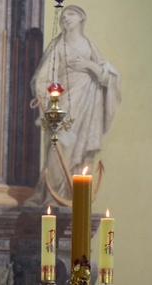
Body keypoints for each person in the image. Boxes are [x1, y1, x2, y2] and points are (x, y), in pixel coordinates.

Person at [27, 4, 121, 206]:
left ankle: (74, 195)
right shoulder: (58, 45)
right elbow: (43, 77)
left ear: (81, 19)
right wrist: (45, 97)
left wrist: (89, 65)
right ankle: (54, 195)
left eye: (71, 14)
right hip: (62, 105)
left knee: (81, 151)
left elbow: (109, 75)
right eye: (63, 16)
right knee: (57, 145)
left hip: (87, 107)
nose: (66, 18)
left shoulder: (88, 46)